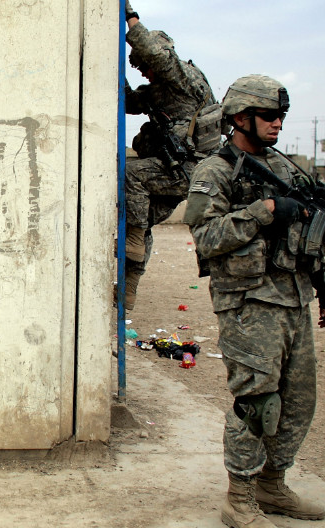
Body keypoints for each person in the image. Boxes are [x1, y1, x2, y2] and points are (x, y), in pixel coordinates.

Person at [182, 75, 325, 528]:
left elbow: (310, 235)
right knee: (256, 403)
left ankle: (273, 484)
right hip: (248, 304)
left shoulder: (286, 169)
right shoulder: (215, 171)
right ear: (240, 119)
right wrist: (264, 210)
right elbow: (206, 238)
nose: (277, 124)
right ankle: (241, 498)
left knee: (297, 401)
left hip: (293, 300)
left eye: (281, 117)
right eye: (269, 116)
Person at [122, 1, 219, 310]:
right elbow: (128, 101)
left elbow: (154, 54)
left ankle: (134, 244)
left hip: (192, 170)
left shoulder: (184, 79)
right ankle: (128, 290)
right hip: (177, 170)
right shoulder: (160, 90)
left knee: (130, 174)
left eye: (145, 67)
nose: (145, 73)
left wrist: (130, 17)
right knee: (141, 217)